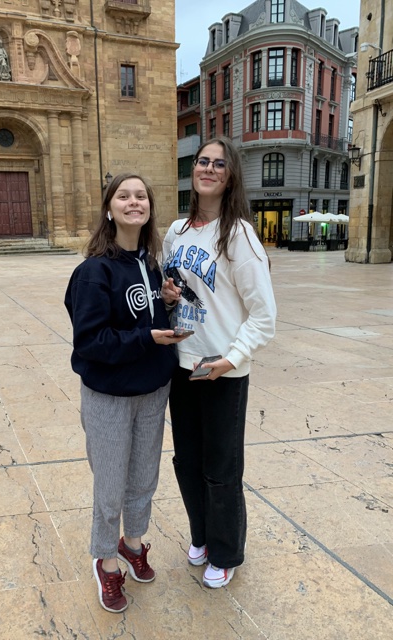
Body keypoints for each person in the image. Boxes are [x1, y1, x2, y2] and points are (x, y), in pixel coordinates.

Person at [64, 173, 189, 613]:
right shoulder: (92, 272)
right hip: (109, 396)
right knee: (111, 484)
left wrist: (166, 305)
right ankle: (106, 561)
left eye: (141, 196)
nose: (134, 202)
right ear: (109, 208)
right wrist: (146, 339)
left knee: (143, 479)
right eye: (124, 196)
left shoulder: (152, 265)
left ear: (150, 208)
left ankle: (132, 544)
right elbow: (90, 342)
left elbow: (146, 318)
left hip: (153, 391)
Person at [162, 137, 277, 589]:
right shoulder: (176, 232)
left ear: (230, 178)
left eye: (219, 164)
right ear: (193, 170)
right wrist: (168, 296)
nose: (208, 169)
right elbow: (174, 294)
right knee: (187, 462)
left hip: (222, 370)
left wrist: (231, 359)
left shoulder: (239, 235)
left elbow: (264, 316)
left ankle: (226, 551)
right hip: (183, 365)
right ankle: (202, 536)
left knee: (221, 469)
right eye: (202, 162)